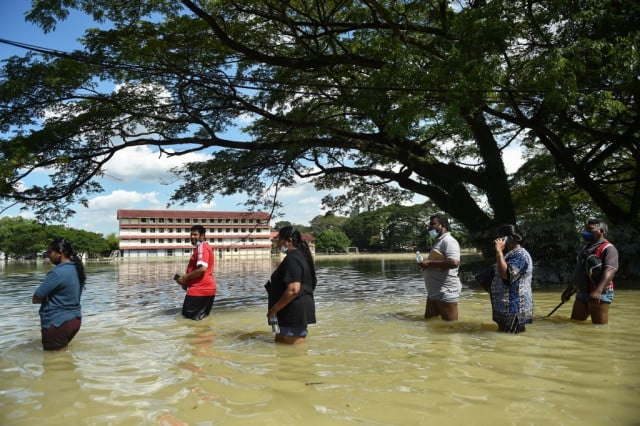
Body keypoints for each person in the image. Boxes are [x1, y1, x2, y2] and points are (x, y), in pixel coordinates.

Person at [561, 218, 618, 324]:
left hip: (600, 293)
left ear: (601, 231)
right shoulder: (585, 248)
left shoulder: (609, 248)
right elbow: (578, 271)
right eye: (586, 229)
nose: (586, 232)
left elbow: (610, 270)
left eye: (590, 229)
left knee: (599, 329)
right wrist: (568, 290)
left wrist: (598, 290)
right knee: (574, 324)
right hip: (582, 293)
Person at [32, 238, 86, 351]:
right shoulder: (76, 269)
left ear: (60, 253)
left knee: (52, 363)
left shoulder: (58, 272)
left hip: (57, 322)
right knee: (61, 358)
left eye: (50, 252)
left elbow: (36, 297)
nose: (48, 255)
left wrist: (46, 298)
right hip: (74, 320)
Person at [266, 226, 317, 344]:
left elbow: (293, 289)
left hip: (293, 314)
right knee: (282, 349)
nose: (277, 244)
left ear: (289, 241)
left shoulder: (293, 259)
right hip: (288, 313)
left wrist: (273, 310)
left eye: (279, 240)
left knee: (295, 356)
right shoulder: (297, 257)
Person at [489, 224, 534, 333]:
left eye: (501, 237)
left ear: (512, 238)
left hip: (514, 308)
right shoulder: (510, 254)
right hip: (506, 307)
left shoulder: (520, 255)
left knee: (512, 341)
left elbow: (507, 275)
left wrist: (499, 251)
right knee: (504, 341)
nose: (498, 240)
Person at [418, 214, 462, 320]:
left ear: (442, 225)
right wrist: (426, 264)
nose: (430, 227)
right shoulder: (439, 241)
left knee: (451, 329)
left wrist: (429, 263)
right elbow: (439, 261)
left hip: (445, 291)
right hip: (434, 291)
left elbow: (454, 262)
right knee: (429, 323)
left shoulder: (449, 241)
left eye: (433, 224)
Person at [175, 225, 216, 320]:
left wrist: (185, 278)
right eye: (191, 234)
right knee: (201, 320)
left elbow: (202, 269)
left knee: (187, 320)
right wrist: (185, 282)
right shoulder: (205, 247)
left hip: (199, 290)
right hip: (208, 290)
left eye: (195, 234)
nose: (192, 237)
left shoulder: (202, 247)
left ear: (202, 236)